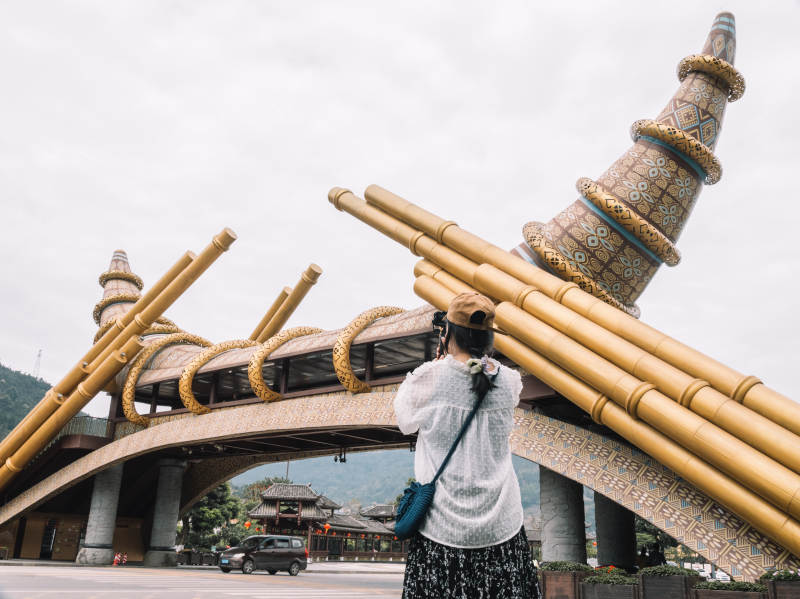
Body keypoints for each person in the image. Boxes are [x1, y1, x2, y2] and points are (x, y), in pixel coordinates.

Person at [395, 292, 539, 598]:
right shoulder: (510, 381)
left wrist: (439, 363)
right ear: (488, 337)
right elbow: (480, 372)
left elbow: (405, 421)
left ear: (447, 332)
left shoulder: (427, 378)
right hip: (502, 525)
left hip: (440, 527)